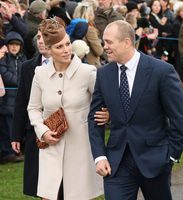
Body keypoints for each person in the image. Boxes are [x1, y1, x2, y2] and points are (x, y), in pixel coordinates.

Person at [88, 20, 183, 200]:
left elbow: (179, 117)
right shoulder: (103, 74)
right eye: (104, 42)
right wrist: (99, 156)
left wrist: (171, 156)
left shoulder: (162, 71)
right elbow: (94, 118)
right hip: (117, 163)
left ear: (127, 42)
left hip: (155, 160)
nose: (105, 47)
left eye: (109, 42)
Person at [27, 18, 105, 200]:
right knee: (50, 195)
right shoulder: (40, 74)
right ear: (49, 49)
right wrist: (42, 131)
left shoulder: (88, 72)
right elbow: (33, 108)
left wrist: (106, 113)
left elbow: (102, 103)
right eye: (59, 47)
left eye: (67, 44)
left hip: (80, 150)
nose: (66, 50)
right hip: (50, 148)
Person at [11, 29, 51, 197]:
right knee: (40, 182)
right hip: (34, 131)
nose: (39, 41)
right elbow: (21, 102)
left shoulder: (69, 64)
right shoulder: (28, 66)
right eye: (38, 37)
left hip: (62, 129)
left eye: (44, 37)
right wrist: (15, 135)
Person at [0, 31, 26, 163]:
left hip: (18, 99)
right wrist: (19, 81)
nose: (14, 47)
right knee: (6, 128)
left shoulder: (22, 59)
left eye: (17, 44)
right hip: (6, 101)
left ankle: (16, 151)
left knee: (16, 127)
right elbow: (4, 73)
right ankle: (7, 152)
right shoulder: (4, 58)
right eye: (12, 44)